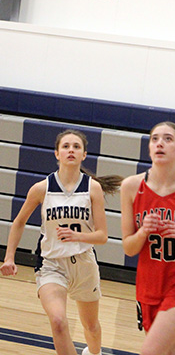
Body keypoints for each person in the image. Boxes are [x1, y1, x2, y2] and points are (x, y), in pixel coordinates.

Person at [0, 129, 122, 355]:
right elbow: (18, 222)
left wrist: (79, 236)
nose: (71, 150)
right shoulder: (41, 188)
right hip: (51, 264)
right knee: (58, 321)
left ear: (84, 154)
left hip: (84, 263)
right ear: (57, 153)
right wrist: (9, 257)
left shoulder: (92, 188)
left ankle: (94, 353)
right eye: (66, 146)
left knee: (92, 327)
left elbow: (102, 235)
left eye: (76, 146)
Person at [120, 121, 175, 355]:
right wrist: (143, 231)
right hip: (148, 287)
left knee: (150, 352)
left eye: (167, 139)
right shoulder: (131, 186)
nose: (159, 143)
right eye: (154, 139)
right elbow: (129, 248)